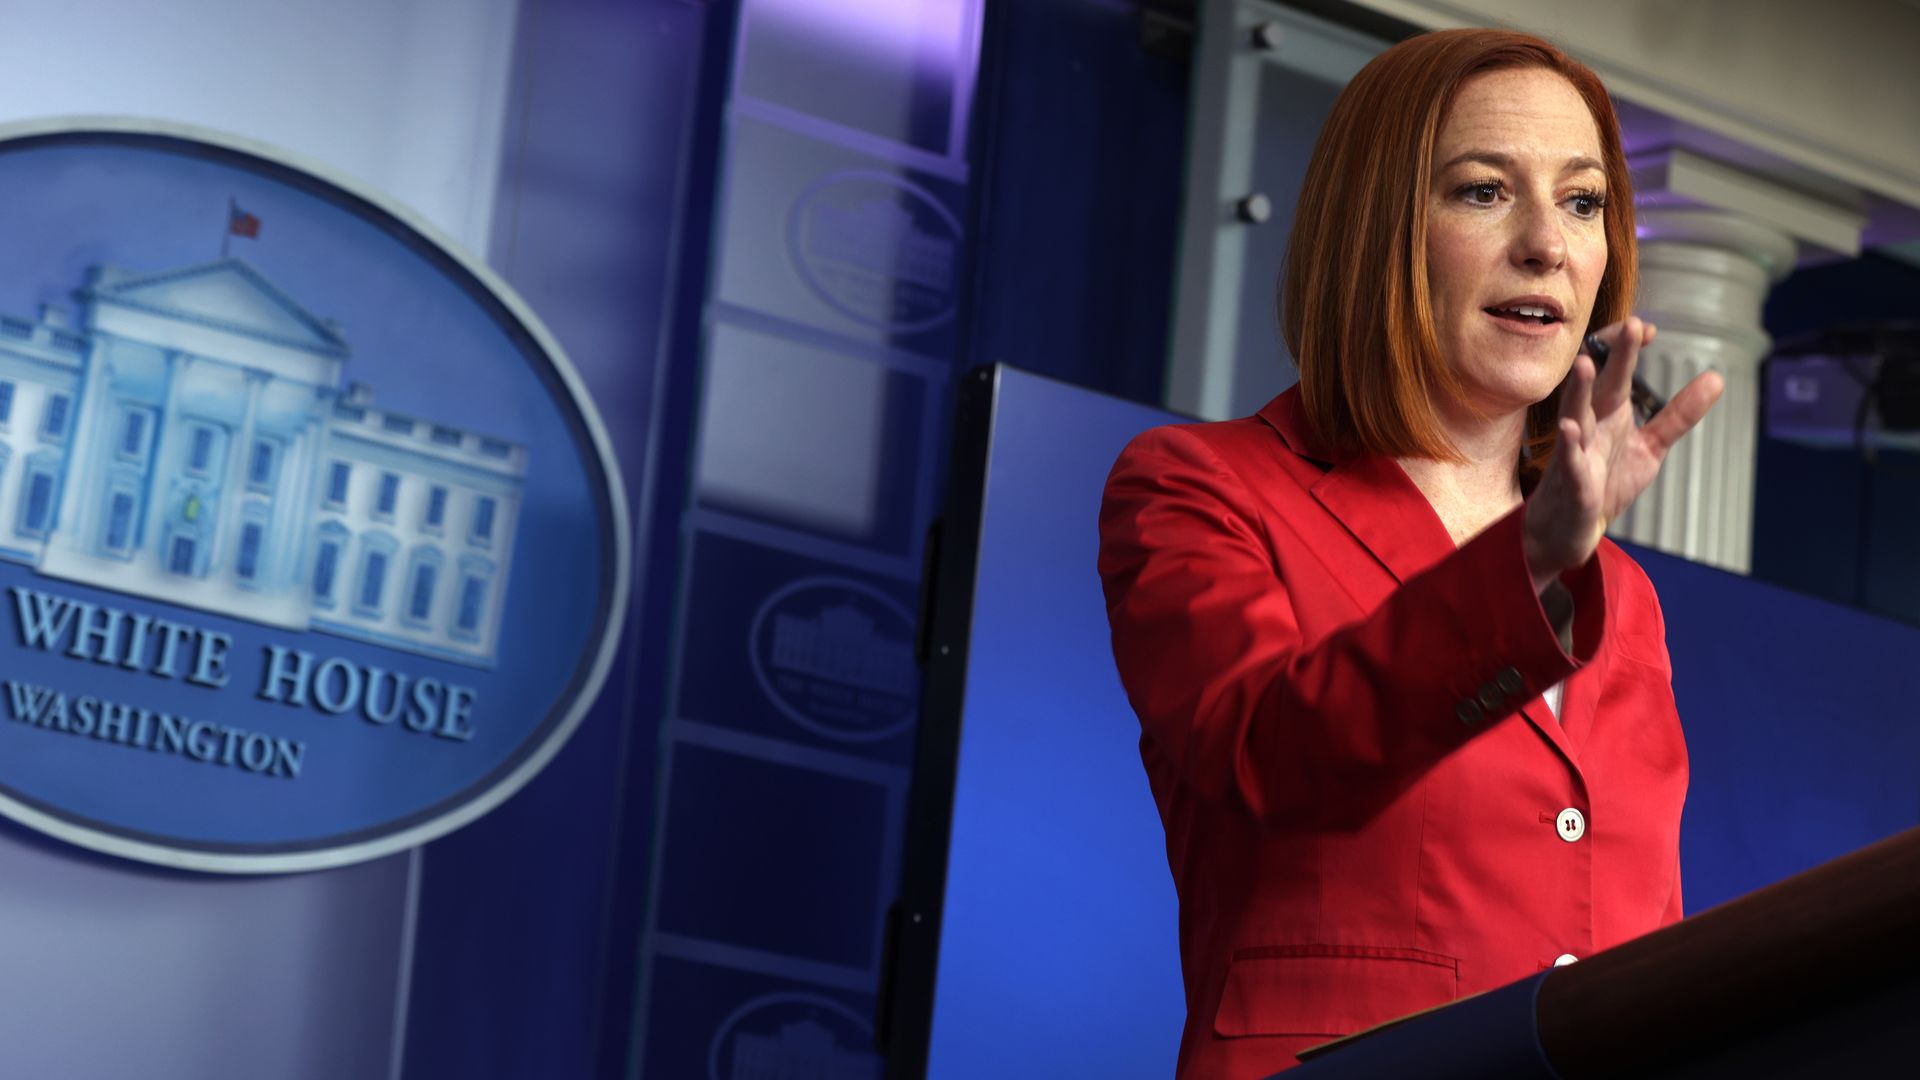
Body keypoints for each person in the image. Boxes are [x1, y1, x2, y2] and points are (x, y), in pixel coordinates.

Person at [1097, 28, 1725, 1079]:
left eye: (1581, 203)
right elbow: (1268, 757)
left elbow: (1638, 927)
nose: (1548, 245)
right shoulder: (1202, 488)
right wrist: (1525, 565)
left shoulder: (1624, 593)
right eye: (1485, 193)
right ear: (1379, 228)